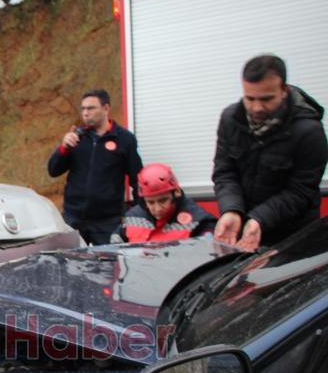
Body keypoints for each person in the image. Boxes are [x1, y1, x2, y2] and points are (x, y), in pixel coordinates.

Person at [212, 54, 328, 251]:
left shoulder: (309, 131)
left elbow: (301, 191)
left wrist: (259, 219)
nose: (257, 107)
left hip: (293, 239)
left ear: (284, 90)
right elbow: (225, 172)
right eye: (250, 98)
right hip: (245, 230)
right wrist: (231, 210)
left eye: (266, 99)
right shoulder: (230, 119)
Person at [48, 89, 143, 245]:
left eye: (91, 108)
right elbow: (53, 170)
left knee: (109, 265)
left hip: (108, 221)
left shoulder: (124, 139)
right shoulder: (77, 137)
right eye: (83, 108)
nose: (85, 113)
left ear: (106, 109)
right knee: (71, 265)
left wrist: (140, 213)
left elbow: (137, 179)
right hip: (74, 218)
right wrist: (63, 148)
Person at [112, 163, 216, 243]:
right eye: (150, 202)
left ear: (177, 192)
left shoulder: (200, 222)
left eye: (163, 200)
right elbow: (116, 244)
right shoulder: (132, 217)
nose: (157, 209)